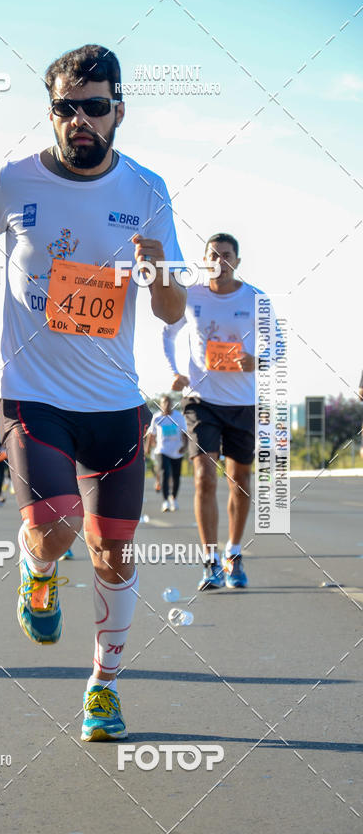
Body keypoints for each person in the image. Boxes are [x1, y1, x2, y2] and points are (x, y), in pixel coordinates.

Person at [0, 44, 185, 741]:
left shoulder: (147, 190)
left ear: (119, 111)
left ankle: (102, 690)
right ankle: (38, 565)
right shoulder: (14, 182)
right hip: (34, 396)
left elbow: (168, 311)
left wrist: (161, 270)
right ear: (51, 113)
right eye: (65, 108)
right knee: (56, 529)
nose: (80, 120)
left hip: (114, 401)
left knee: (114, 554)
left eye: (94, 107)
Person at [162, 232, 267, 590]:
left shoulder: (255, 299)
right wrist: (175, 371)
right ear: (204, 259)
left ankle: (233, 554)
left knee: (240, 482)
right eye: (212, 255)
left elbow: (279, 347)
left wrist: (257, 360)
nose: (219, 261)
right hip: (200, 400)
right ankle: (210, 561)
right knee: (205, 476)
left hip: (243, 402)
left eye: (226, 255)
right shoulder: (191, 296)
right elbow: (168, 332)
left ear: (236, 261)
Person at [144, 395, 187, 512]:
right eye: (164, 403)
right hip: (161, 450)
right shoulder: (157, 418)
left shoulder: (178, 417)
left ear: (172, 404)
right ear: (161, 404)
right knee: (165, 473)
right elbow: (151, 434)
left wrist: (185, 447)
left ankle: (174, 498)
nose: (167, 405)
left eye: (169, 402)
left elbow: (185, 434)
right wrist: (147, 448)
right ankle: (165, 501)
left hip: (177, 451)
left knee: (176, 476)